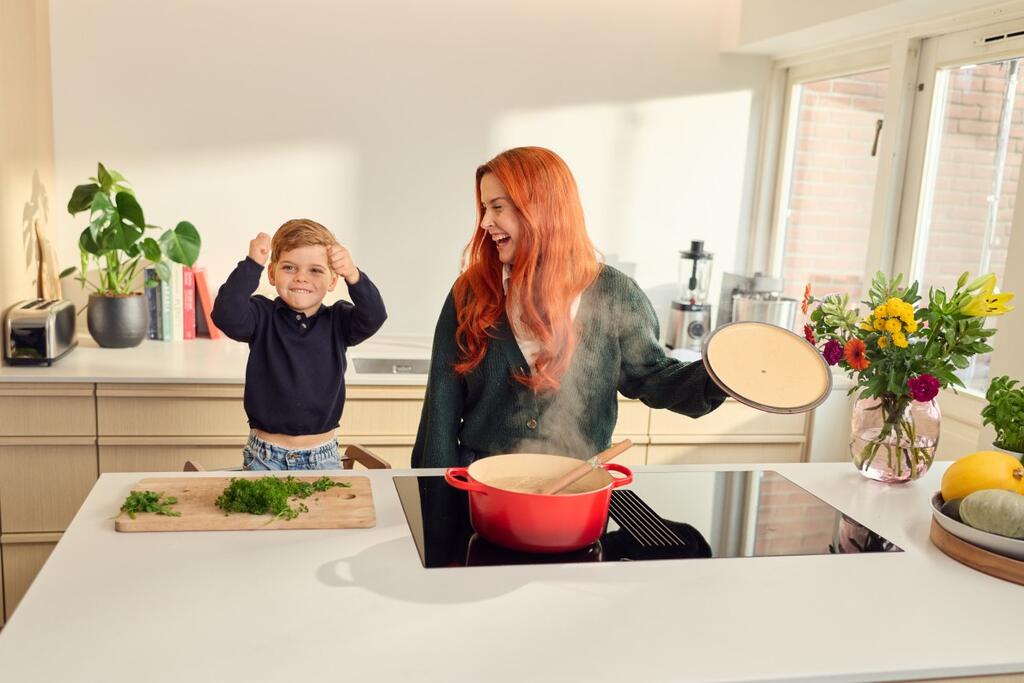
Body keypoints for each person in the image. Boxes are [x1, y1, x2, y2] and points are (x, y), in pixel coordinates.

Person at [411, 147, 726, 468]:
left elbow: (655, 378)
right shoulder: (470, 293)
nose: (485, 223)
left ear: (542, 209)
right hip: (481, 492)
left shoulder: (615, 293)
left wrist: (723, 373)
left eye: (498, 207)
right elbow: (440, 414)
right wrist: (433, 506)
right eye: (484, 209)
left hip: (580, 491)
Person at [212, 218, 387, 470]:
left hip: (323, 455)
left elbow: (374, 315)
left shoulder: (338, 320)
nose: (301, 278)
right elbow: (225, 314)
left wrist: (353, 274)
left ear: (332, 281)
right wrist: (252, 265)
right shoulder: (262, 315)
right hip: (265, 455)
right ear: (272, 273)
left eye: (315, 270)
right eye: (290, 268)